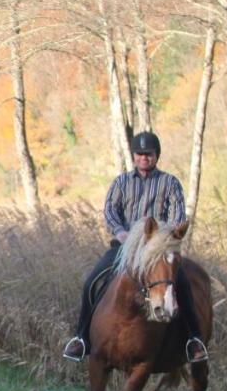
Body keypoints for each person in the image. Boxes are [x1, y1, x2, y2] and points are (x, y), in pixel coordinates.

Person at [62, 131, 209, 364]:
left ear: (156, 156)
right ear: (133, 156)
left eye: (148, 154)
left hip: (158, 251)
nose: (144, 158)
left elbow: (177, 216)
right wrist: (120, 232)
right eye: (139, 154)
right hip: (124, 248)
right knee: (93, 281)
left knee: (181, 283)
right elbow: (110, 210)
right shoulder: (121, 182)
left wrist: (160, 238)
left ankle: (193, 340)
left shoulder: (170, 183)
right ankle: (81, 338)